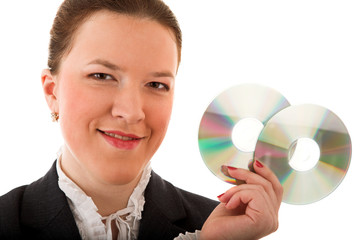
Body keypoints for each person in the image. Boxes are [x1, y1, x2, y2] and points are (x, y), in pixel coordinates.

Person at [0, 0, 283, 239]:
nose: (133, 111)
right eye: (102, 76)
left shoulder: (219, 229)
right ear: (52, 91)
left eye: (156, 84)